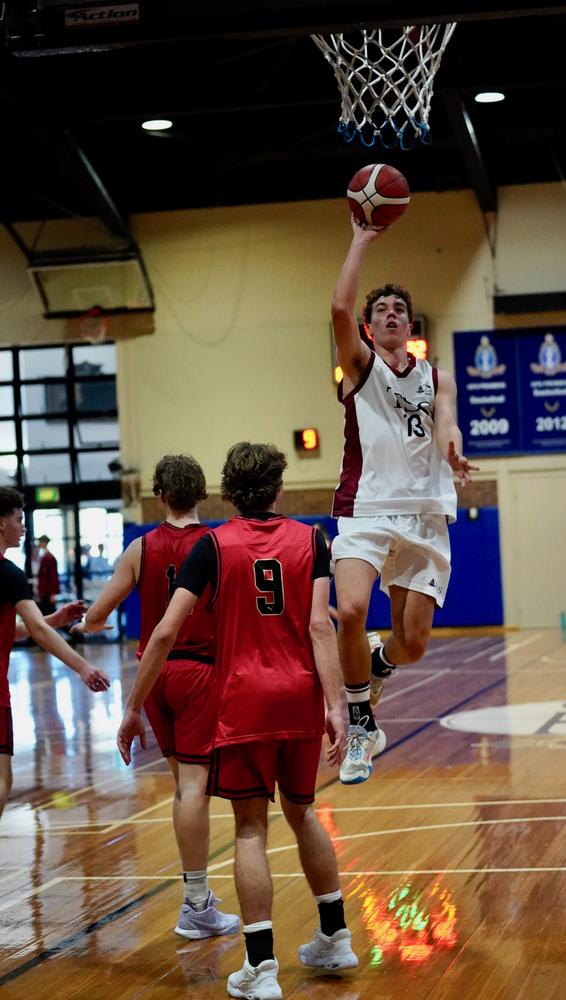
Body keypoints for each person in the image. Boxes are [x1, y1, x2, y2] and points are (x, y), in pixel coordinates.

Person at [117, 442, 357, 1000]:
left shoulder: (213, 546)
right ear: (278, 488)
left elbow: (165, 633)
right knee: (303, 814)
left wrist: (133, 707)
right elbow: (322, 628)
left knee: (251, 827)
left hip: (244, 701)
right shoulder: (313, 539)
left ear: (227, 489)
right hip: (299, 698)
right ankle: (336, 936)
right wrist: (337, 702)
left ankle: (261, 968)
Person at [330, 217, 478, 785]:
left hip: (424, 514)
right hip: (366, 510)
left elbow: (447, 425)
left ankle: (382, 664)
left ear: (410, 325)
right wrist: (361, 239)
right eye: (381, 311)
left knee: (413, 645)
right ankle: (363, 723)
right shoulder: (359, 367)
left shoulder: (436, 377)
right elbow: (339, 311)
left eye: (399, 310)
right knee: (348, 610)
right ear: (369, 328)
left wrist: (455, 452)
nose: (390, 316)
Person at [72, 454, 239, 940]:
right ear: (201, 493)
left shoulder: (140, 548)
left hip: (153, 677)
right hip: (198, 673)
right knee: (194, 789)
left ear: (160, 495)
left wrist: (82, 623)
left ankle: (197, 897)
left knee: (181, 785)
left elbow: (100, 616)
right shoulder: (217, 543)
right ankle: (195, 904)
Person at [0, 487, 109, 818]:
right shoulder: (8, 574)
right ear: (1, 523)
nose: (23, 526)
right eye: (19, 519)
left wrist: (55, 618)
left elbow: (17, 629)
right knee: (2, 778)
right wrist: (83, 667)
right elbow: (36, 631)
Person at [36, 534, 60, 616]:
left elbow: (53, 576)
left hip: (48, 592)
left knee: (49, 614)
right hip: (44, 592)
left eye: (40, 542)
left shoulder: (49, 557)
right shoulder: (45, 556)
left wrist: (53, 593)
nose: (39, 544)